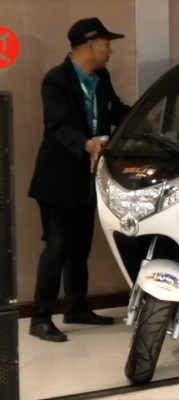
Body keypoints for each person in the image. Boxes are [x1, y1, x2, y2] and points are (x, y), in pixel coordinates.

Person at [28, 17, 131, 342]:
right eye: (106, 43)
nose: (110, 50)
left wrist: (148, 117)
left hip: (88, 176)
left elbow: (116, 111)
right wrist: (86, 144)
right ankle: (40, 317)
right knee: (57, 247)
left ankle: (75, 306)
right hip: (57, 178)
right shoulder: (56, 81)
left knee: (80, 247)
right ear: (90, 44)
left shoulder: (101, 77)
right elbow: (58, 126)